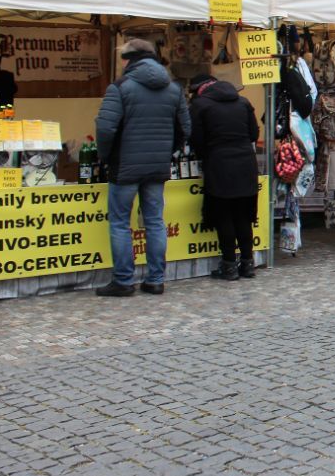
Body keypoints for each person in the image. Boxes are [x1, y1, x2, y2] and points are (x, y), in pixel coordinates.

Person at [94, 39, 190, 296]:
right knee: (155, 221)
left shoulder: (120, 87)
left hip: (124, 166)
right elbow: (184, 129)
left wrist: (106, 157)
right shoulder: (173, 88)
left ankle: (124, 281)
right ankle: (156, 279)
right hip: (157, 166)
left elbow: (105, 129)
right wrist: (165, 152)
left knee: (120, 223)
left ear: (129, 59)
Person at [189, 73, 260, 281]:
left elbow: (197, 140)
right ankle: (248, 264)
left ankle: (229, 265)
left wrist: (207, 154)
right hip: (246, 163)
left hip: (219, 164)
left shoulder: (200, 106)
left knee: (224, 216)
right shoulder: (243, 102)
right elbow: (254, 134)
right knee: (243, 215)